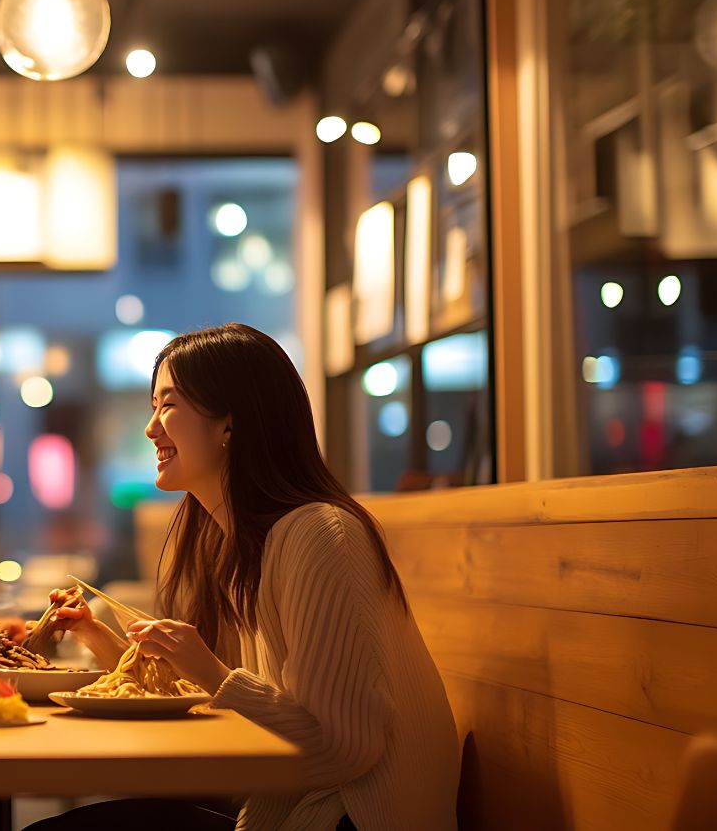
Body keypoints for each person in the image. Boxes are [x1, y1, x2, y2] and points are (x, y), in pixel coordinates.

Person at [32, 323, 459, 831]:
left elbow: (344, 747)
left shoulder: (320, 535)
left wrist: (209, 669)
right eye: (153, 407)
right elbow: (226, 715)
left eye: (167, 405)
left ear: (229, 425)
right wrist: (105, 642)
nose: (151, 428)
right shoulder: (230, 544)